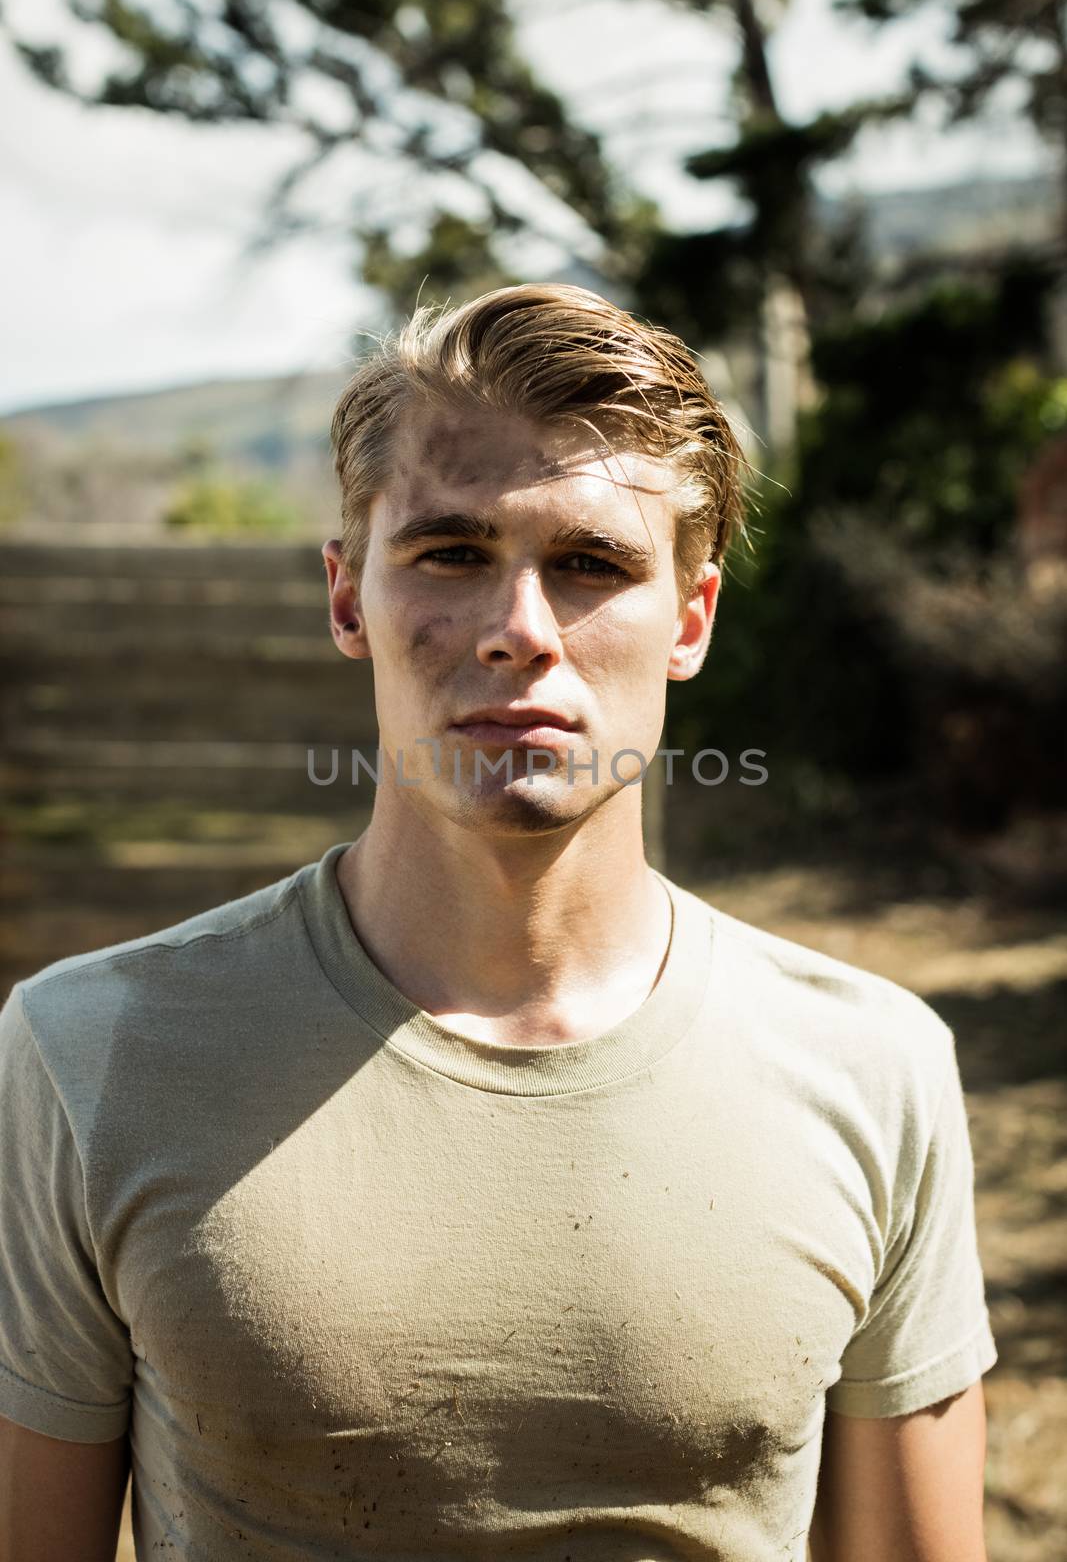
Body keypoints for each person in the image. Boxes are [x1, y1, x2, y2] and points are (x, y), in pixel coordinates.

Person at [0, 283, 996, 1562]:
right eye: (451, 553)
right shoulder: (87, 1056)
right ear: (348, 598)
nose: (520, 631)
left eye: (590, 565)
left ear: (688, 619)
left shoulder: (873, 1068)